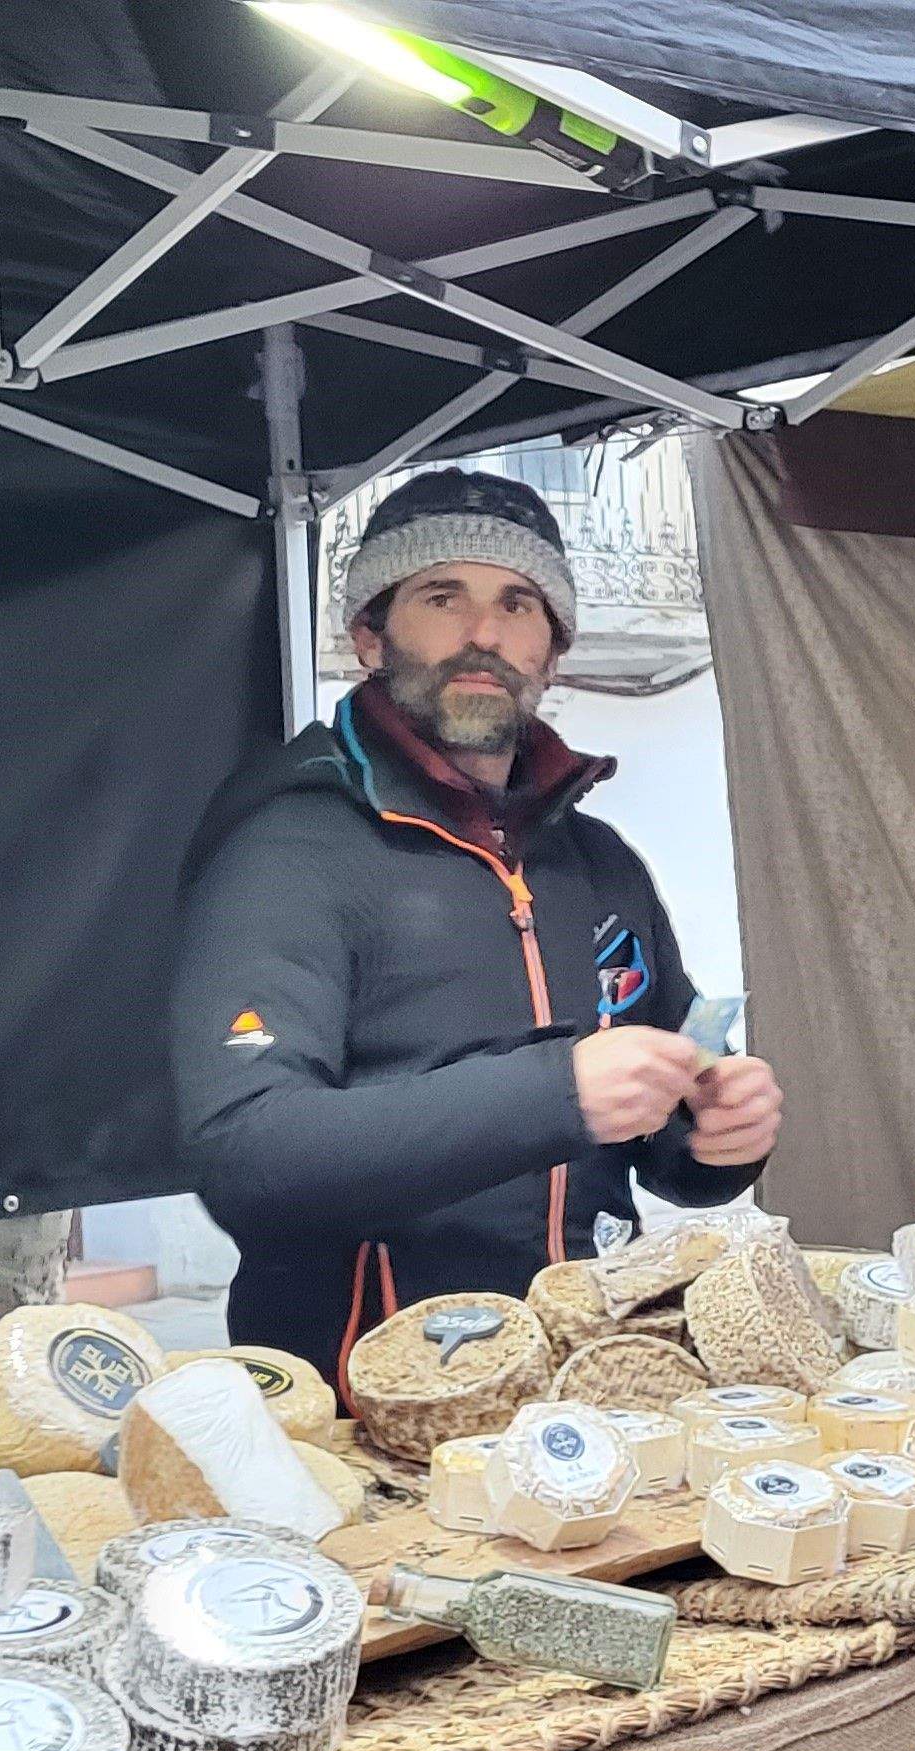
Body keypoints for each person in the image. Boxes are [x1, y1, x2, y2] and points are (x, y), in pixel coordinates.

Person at [174, 469, 781, 1373]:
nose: (484, 634)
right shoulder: (290, 844)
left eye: (519, 604)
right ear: (370, 635)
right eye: (442, 596)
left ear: (553, 651)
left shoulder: (599, 859)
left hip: (584, 1375)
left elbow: (662, 1138)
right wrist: (555, 1094)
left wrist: (715, 1141)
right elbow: (248, 1153)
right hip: (361, 1399)